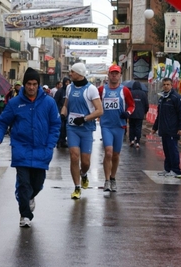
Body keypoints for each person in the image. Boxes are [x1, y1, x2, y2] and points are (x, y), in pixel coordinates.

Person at [0, 67, 61, 227]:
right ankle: (25, 215)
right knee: (23, 184)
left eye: (34, 84)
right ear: (24, 84)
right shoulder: (15, 103)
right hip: (21, 148)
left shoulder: (49, 102)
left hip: (42, 150)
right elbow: (3, 122)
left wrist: (50, 145)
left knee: (37, 184)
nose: (31, 87)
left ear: (38, 85)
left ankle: (30, 197)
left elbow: (55, 125)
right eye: (28, 84)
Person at [60, 62, 103, 199]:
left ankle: (83, 174)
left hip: (86, 128)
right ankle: (77, 188)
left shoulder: (91, 89)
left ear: (79, 73)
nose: (70, 74)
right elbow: (66, 105)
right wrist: (62, 114)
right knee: (74, 156)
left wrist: (84, 119)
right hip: (72, 128)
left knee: (85, 162)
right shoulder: (68, 88)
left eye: (72, 72)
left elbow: (99, 111)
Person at [98, 65, 135, 192]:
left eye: (116, 73)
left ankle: (113, 178)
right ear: (108, 75)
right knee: (108, 151)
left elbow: (132, 105)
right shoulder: (102, 90)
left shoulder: (124, 91)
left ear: (120, 75)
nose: (114, 75)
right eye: (112, 73)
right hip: (106, 126)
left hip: (119, 126)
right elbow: (94, 103)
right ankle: (107, 180)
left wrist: (128, 113)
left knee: (115, 154)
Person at [151, 77, 181, 178]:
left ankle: (176, 171)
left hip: (173, 130)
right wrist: (155, 127)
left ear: (172, 85)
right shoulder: (162, 98)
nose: (166, 86)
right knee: (166, 150)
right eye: (164, 84)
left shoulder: (176, 98)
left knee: (172, 150)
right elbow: (159, 115)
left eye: (168, 84)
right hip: (164, 130)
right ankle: (168, 169)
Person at [128, 81, 149, 148]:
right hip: (140, 114)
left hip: (132, 113)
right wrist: (145, 112)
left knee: (131, 127)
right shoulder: (143, 94)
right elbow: (146, 105)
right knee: (138, 128)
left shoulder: (130, 93)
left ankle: (131, 140)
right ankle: (137, 142)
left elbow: (127, 103)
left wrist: (127, 112)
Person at [54, 77, 71, 148]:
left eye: (68, 82)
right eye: (66, 82)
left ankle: (63, 141)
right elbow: (55, 102)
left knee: (66, 128)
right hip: (60, 112)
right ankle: (59, 141)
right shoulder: (60, 92)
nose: (67, 84)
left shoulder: (70, 91)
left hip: (68, 113)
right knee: (61, 128)